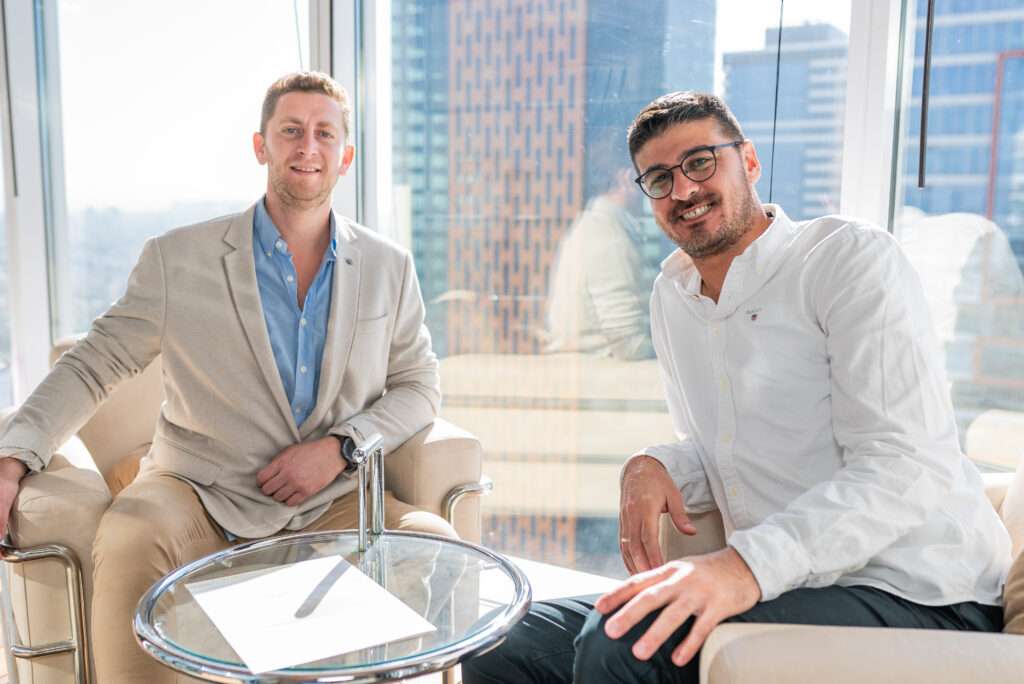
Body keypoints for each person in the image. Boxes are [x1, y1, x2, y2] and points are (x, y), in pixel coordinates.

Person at [463, 91, 1013, 683]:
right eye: (659, 178)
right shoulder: (673, 296)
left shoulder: (846, 259)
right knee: (503, 638)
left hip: (920, 591)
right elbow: (719, 451)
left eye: (700, 162)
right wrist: (655, 463)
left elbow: (905, 465)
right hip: (788, 585)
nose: (683, 189)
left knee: (622, 643)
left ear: (748, 161)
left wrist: (742, 566)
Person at [0, 71, 453, 683]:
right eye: (290, 130)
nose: (307, 147)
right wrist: (13, 457)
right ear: (261, 146)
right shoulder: (176, 258)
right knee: (130, 536)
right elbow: (94, 363)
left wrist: (341, 448)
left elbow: (419, 386)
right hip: (198, 493)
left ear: (345, 157)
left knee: (433, 542)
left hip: (332, 500)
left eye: (324, 134)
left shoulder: (389, 267)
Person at [545, 147, 658, 361]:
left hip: (591, 370)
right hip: (598, 371)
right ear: (628, 178)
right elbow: (628, 344)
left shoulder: (594, 226)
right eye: (652, 179)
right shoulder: (606, 235)